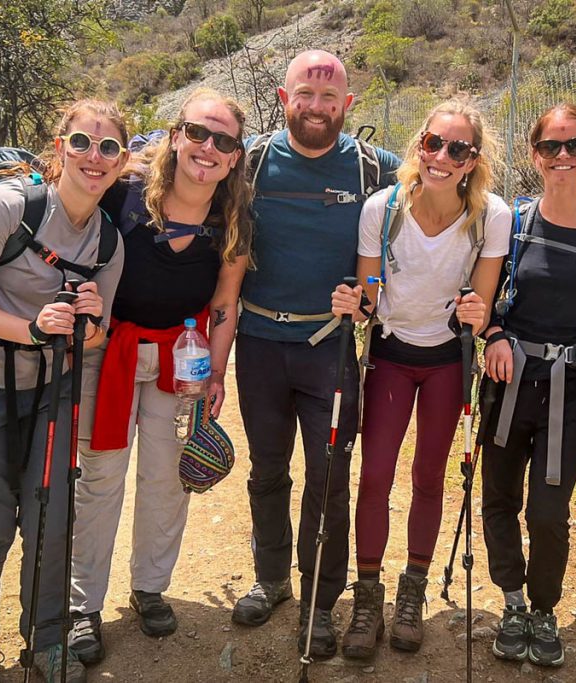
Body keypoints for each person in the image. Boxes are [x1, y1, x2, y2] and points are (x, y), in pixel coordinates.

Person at [0, 99, 128, 683]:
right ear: (60, 146)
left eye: (110, 147)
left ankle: (45, 639)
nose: (96, 157)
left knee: (50, 517)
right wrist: (31, 330)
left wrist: (91, 324)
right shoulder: (6, 208)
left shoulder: (109, 245)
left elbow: (94, 341)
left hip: (47, 391)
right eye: (84, 143)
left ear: (120, 163)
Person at [66, 88, 252, 665]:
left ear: (235, 157)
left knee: (168, 478)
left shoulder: (233, 219)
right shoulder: (124, 197)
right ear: (175, 136)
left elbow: (225, 301)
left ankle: (149, 587)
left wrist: (216, 372)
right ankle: (81, 605)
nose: (207, 148)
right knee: (100, 476)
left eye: (223, 141)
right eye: (197, 133)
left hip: (184, 356)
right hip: (110, 350)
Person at [231, 49, 400, 658]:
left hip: (328, 349)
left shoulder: (372, 169)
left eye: (330, 98)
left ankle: (322, 603)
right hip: (256, 344)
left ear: (348, 106)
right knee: (268, 469)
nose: (317, 107)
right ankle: (273, 578)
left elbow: (442, 191)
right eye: (306, 94)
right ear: (284, 98)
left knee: (327, 479)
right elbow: (176, 176)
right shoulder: (247, 161)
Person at [329, 99, 509, 658]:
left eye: (458, 149)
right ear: (419, 146)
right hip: (390, 352)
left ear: (473, 160)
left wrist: (481, 318)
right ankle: (367, 597)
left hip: (444, 363)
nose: (442, 157)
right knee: (375, 475)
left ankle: (412, 593)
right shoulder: (382, 209)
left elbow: (477, 306)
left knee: (429, 478)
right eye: (434, 143)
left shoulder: (492, 216)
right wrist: (356, 303)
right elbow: (371, 297)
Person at [480, 103, 576, 668]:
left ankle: (545, 607)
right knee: (499, 498)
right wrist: (493, 333)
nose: (562, 157)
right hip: (509, 383)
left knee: (548, 511)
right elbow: (481, 296)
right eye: (551, 147)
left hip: (571, 393)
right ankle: (513, 600)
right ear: (534, 155)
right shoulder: (513, 223)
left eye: (573, 146)